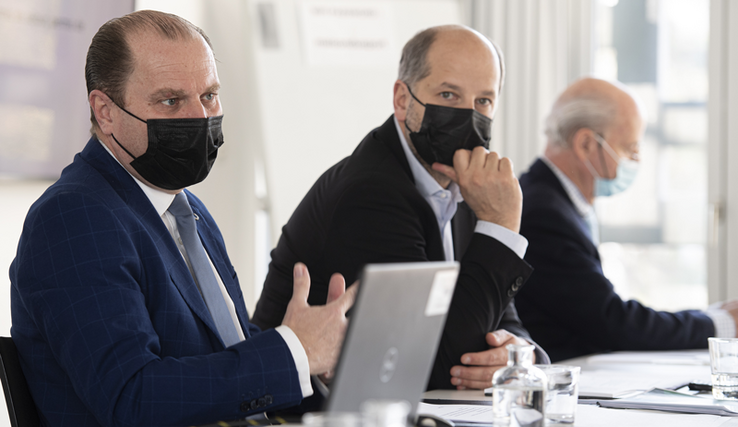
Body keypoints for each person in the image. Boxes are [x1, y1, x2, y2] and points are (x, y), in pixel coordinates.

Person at [9, 10, 356, 427]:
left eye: (209, 95)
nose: (200, 117)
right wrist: (292, 353)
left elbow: (220, 355)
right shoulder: (74, 217)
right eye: (171, 100)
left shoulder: (188, 211)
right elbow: (133, 397)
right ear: (105, 111)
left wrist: (312, 363)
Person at [252, 25, 549, 391]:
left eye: (484, 101)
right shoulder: (371, 193)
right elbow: (429, 367)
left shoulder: (470, 188)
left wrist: (521, 355)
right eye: (448, 94)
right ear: (402, 99)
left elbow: (503, 320)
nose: (469, 116)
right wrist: (502, 226)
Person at [515, 77, 738, 362]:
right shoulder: (542, 213)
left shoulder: (557, 203)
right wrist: (722, 323)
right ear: (585, 144)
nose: (636, 160)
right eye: (631, 148)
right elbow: (611, 321)